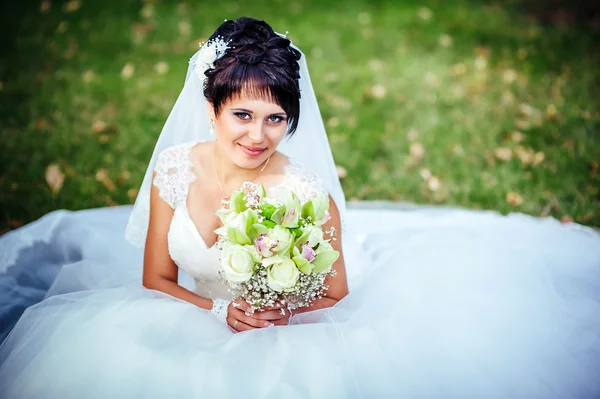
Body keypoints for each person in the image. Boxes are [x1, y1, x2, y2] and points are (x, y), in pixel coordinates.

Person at [0, 17, 599, 398]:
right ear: (211, 109)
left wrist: (277, 308)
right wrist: (217, 310)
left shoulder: (306, 191)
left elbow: (335, 293)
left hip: (284, 334)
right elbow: (156, 278)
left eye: (276, 119)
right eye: (241, 115)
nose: (258, 135)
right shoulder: (174, 169)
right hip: (194, 315)